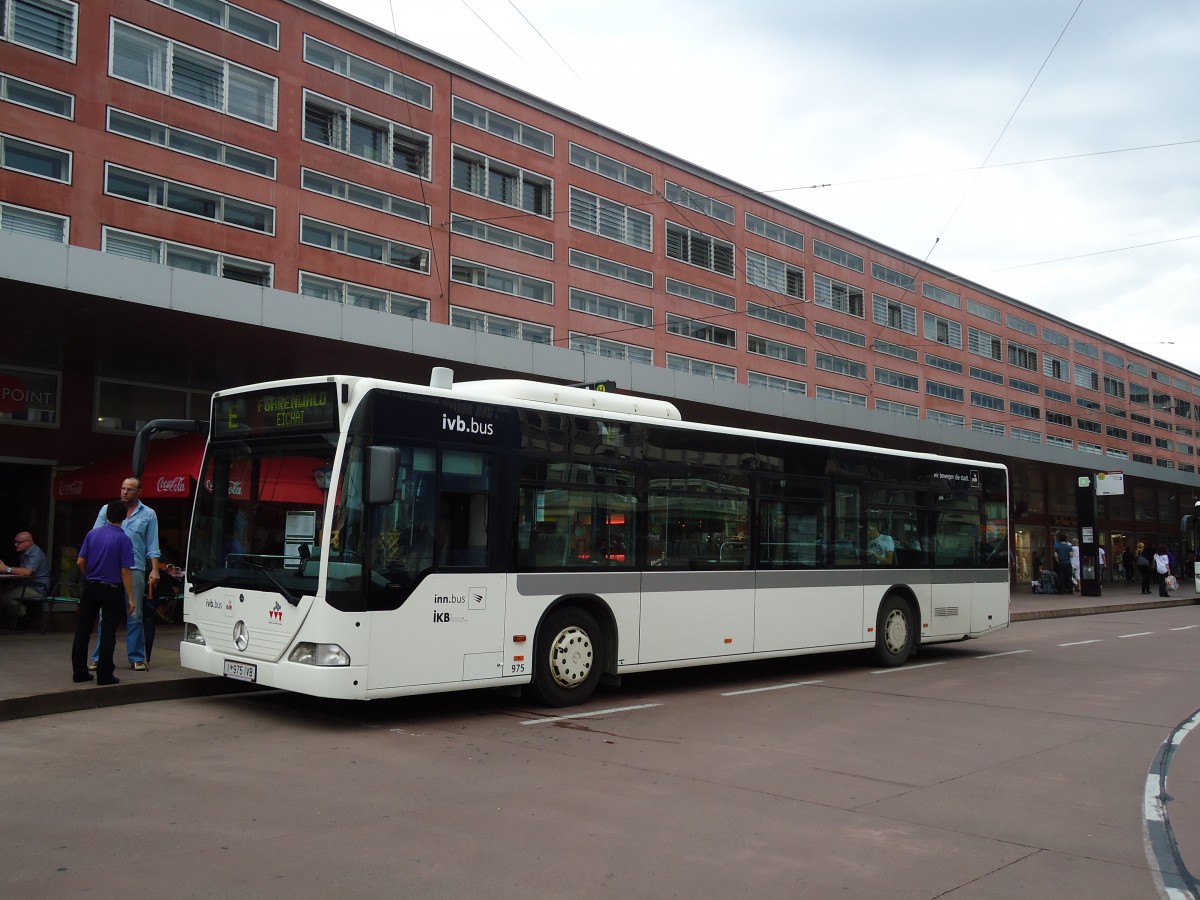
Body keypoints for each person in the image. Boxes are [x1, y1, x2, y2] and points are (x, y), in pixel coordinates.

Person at [90, 476, 161, 672]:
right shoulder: (108, 510)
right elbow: (96, 535)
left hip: (135, 567)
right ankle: (99, 657)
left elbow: (152, 544)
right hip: (110, 568)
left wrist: (155, 569)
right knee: (105, 615)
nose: (124, 492)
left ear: (139, 492)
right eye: (122, 488)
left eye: (129, 489)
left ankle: (137, 657)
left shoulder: (148, 514)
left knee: (135, 613)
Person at [73, 502, 136, 685]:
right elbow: (125, 571)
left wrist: (89, 576)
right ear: (124, 517)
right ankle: (105, 674)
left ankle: (79, 672)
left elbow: (80, 562)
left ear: (107, 515)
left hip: (91, 586)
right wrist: (131, 597)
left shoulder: (92, 534)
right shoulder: (124, 540)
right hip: (112, 588)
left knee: (83, 630)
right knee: (108, 632)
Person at [0, 531, 51, 630]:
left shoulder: (35, 553)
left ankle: (24, 615)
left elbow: (27, 572)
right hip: (25, 585)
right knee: (3, 592)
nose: (16, 545)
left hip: (37, 588)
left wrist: (6, 569)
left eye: (18, 542)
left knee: (4, 598)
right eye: (15, 542)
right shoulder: (24, 553)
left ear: (28, 542)